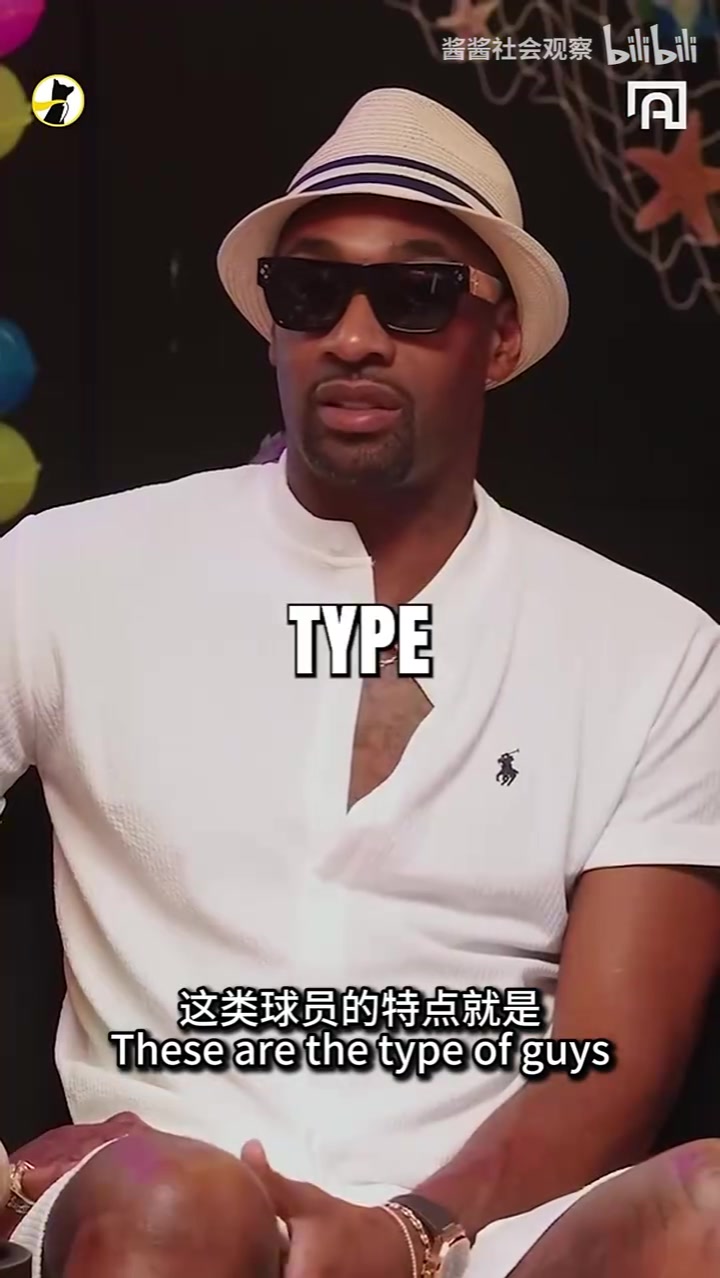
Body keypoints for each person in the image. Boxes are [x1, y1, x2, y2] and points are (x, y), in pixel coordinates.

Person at [2, 86, 720, 1278]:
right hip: (154, 1197)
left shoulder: (653, 648)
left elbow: (613, 1058)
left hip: (485, 1235)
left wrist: (411, 1235)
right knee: (178, 1203)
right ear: (272, 324)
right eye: (310, 290)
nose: (351, 336)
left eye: (416, 292)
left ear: (501, 340)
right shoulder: (70, 572)